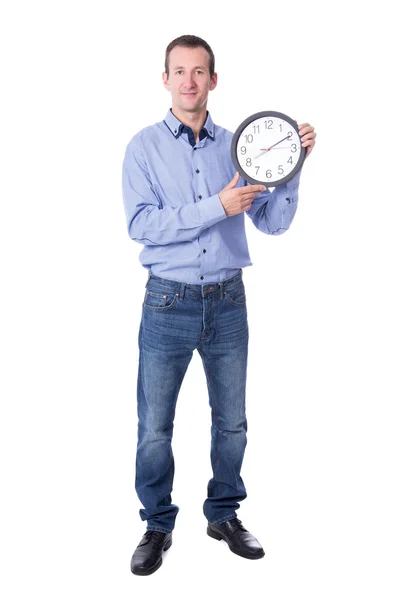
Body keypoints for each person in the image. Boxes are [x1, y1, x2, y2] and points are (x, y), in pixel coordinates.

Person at [122, 34, 316, 576]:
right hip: (167, 302)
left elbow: (273, 223)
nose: (189, 80)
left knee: (232, 423)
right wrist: (216, 206)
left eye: (199, 71)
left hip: (228, 301)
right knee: (155, 427)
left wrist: (292, 164)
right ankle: (157, 523)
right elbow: (141, 225)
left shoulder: (241, 146)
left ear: (213, 79)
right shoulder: (142, 148)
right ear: (165, 79)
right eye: (179, 71)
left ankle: (223, 513)